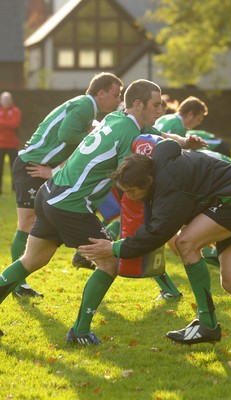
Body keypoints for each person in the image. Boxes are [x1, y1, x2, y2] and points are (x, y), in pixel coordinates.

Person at [0, 79, 206, 343]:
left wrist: (185, 142)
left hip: (50, 193)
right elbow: (128, 180)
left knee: (32, 260)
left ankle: (80, 329)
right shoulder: (127, 133)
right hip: (70, 204)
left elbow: (160, 135)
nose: (160, 109)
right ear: (139, 104)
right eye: (156, 104)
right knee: (109, 262)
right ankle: (80, 332)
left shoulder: (118, 118)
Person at [79, 139, 231, 348]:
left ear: (148, 182)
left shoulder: (169, 189)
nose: (130, 197)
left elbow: (157, 232)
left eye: (132, 192)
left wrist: (114, 247)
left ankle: (207, 323)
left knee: (185, 242)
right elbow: (168, 144)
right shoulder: (158, 160)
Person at [10, 72, 123, 298]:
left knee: (31, 226)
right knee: (26, 224)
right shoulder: (85, 105)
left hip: (40, 166)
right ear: (99, 93)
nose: (117, 99)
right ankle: (18, 285)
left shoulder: (87, 110)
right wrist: (92, 133)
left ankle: (18, 282)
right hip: (31, 165)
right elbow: (67, 133)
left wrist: (51, 172)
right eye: (115, 94)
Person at [154, 95, 231, 157]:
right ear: (190, 114)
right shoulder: (178, 126)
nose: (199, 123)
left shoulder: (165, 117)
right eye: (199, 119)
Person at [0, 92, 21, 194]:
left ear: (11, 100)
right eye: (4, 100)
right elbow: (10, 124)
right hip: (1, 145)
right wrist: (7, 123)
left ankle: (14, 189)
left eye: (7, 100)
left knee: (14, 168)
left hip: (12, 144)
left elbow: (14, 124)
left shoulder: (15, 111)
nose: (6, 102)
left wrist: (3, 123)